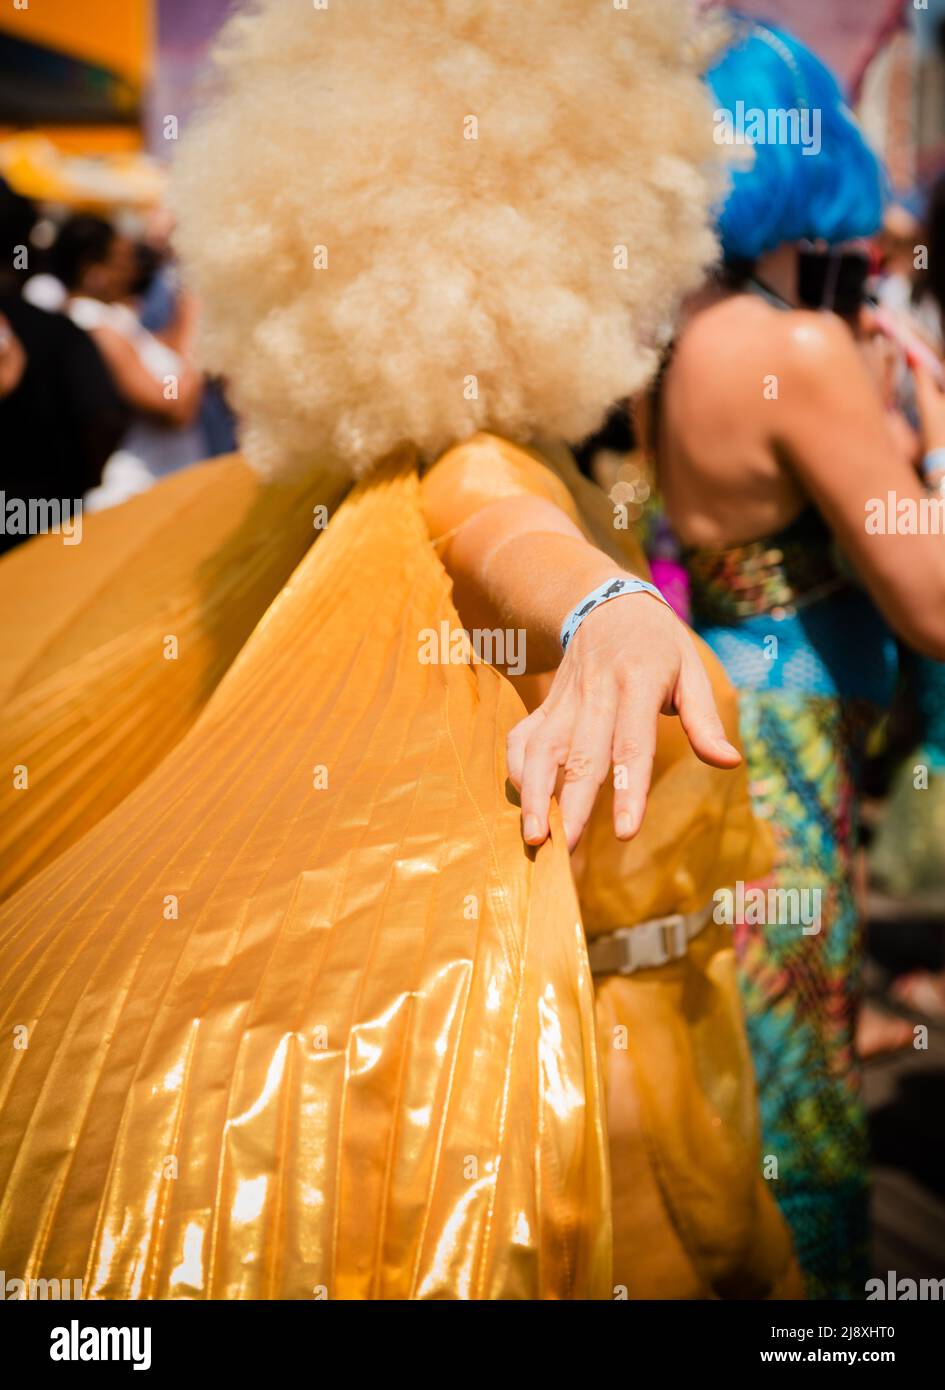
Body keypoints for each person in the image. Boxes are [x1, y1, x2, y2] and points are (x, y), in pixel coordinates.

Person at [0, 0, 800, 1299]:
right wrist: (606, 610)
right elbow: (499, 526)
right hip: (586, 1088)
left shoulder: (339, 475)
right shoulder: (482, 458)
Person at [650, 19, 945, 1299]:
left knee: (747, 1055)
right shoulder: (801, 349)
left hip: (726, 724)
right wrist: (930, 435)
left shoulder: (688, 333)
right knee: (798, 1078)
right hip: (790, 757)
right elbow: (932, 601)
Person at [0, 182, 125, 551]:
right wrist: (80, 480)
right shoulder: (59, 332)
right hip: (50, 529)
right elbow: (104, 419)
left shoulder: (59, 332)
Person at [52, 213, 207, 509]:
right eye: (122, 260)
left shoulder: (110, 318)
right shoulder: (94, 328)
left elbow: (167, 349)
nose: (134, 270)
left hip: (165, 486)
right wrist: (196, 316)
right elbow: (175, 409)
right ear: (93, 272)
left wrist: (188, 296)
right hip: (141, 496)